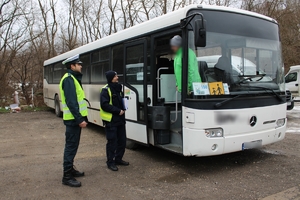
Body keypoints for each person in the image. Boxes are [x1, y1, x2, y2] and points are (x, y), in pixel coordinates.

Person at [59, 54, 88, 187]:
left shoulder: (72, 78)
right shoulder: (69, 79)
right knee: (70, 147)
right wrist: (79, 119)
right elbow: (71, 102)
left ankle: (70, 170)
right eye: (79, 64)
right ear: (72, 66)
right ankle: (67, 176)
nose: (81, 66)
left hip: (73, 120)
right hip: (73, 120)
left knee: (73, 146)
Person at [100, 70, 129, 172]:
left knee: (122, 141)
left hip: (120, 119)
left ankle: (118, 159)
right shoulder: (105, 90)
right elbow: (104, 105)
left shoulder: (118, 88)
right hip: (111, 120)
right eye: (115, 76)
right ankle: (110, 162)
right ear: (111, 78)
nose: (117, 77)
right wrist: (118, 111)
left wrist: (125, 106)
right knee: (112, 142)